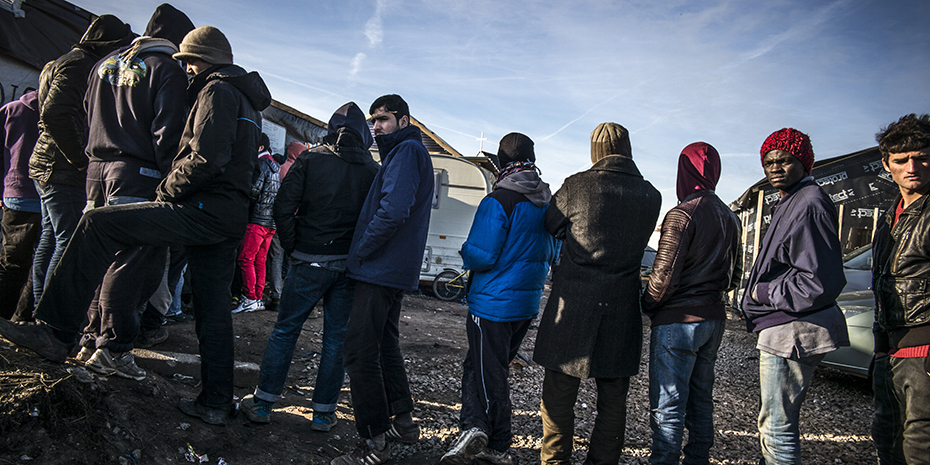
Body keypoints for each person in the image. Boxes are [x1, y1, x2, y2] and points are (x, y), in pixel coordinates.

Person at [0, 25, 271, 427]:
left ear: (201, 60)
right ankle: (215, 401)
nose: (187, 72)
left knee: (96, 223)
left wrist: (165, 191)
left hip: (200, 210)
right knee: (213, 311)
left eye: (189, 63)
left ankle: (55, 332)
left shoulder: (217, 90)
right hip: (227, 217)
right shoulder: (247, 100)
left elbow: (206, 158)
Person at [239, 102, 378, 432]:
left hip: (308, 261)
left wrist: (295, 247)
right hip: (348, 269)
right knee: (336, 340)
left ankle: (262, 404)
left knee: (286, 331)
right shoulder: (373, 171)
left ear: (331, 129)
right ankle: (323, 414)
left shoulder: (311, 159)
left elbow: (282, 208)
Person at [76, 3, 194, 380]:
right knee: (132, 261)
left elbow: (85, 113)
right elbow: (167, 133)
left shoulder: (104, 64)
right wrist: (171, 182)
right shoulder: (166, 69)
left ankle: (89, 338)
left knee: (98, 257)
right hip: (138, 175)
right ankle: (113, 348)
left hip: (96, 172)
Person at [533, 122, 661, 465]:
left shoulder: (578, 185)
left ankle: (555, 461)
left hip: (573, 307)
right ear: (628, 148)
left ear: (595, 151)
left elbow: (551, 224)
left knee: (557, 398)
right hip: (621, 307)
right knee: (613, 401)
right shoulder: (651, 196)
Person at [440, 133, 559, 465]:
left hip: (492, 303)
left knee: (489, 372)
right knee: (480, 365)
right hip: (526, 304)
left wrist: (465, 251)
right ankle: (474, 427)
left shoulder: (499, 200)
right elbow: (554, 252)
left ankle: (497, 442)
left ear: (502, 163)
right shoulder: (547, 202)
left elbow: (481, 255)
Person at [332, 94, 434, 465]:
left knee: (359, 352)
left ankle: (374, 443)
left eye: (384, 119)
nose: (376, 127)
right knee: (385, 344)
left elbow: (393, 211)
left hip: (380, 268)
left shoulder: (406, 152)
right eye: (373, 120)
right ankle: (403, 423)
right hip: (391, 269)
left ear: (404, 121)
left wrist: (361, 250)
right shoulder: (406, 152)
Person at [740, 128, 848, 465]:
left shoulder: (809, 203)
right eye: (768, 162)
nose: (775, 168)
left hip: (793, 328)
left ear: (804, 163)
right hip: (786, 325)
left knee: (777, 427)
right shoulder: (792, 200)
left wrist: (762, 291)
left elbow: (818, 281)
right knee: (773, 423)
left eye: (785, 160)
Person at [641, 142, 742, 465]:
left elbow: (663, 277)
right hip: (714, 317)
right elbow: (735, 276)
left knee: (668, 405)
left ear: (683, 171)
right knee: (701, 399)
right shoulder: (732, 217)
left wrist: (647, 305)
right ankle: (698, 458)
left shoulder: (682, 214)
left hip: (678, 319)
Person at [29, 15, 134, 304]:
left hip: (48, 165)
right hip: (61, 168)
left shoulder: (63, 61)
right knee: (67, 241)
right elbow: (54, 114)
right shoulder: (80, 65)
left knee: (50, 238)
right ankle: (50, 313)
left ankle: (38, 308)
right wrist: (79, 158)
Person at [871, 114, 930, 465]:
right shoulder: (890, 215)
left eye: (922, 157)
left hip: (924, 353)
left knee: (920, 448)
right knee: (887, 440)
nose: (912, 167)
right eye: (902, 159)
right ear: (886, 164)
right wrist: (880, 351)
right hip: (890, 352)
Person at [0, 90, 41, 322]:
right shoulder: (70, 110)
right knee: (40, 264)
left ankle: (3, 317)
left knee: (11, 263)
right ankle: (22, 318)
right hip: (51, 197)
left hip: (16, 195)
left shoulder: (12, 110)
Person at [232, 132, 279, 313]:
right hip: (270, 222)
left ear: (259, 147)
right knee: (260, 260)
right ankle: (257, 297)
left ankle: (249, 297)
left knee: (245, 258)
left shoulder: (261, 164)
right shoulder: (275, 166)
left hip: (257, 219)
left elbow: (254, 191)